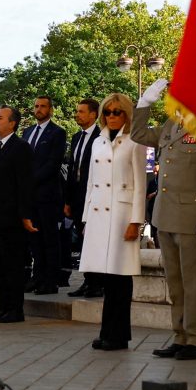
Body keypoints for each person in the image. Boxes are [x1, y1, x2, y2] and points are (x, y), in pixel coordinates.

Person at [134, 78, 196, 361]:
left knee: (193, 283)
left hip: (192, 219)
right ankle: (180, 336)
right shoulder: (170, 126)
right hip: (164, 216)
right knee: (174, 282)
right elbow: (138, 134)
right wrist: (143, 104)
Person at [79, 93, 149, 350]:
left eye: (117, 112)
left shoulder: (134, 141)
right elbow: (90, 183)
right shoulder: (97, 142)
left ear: (127, 114)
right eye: (107, 111)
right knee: (106, 278)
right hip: (99, 214)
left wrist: (136, 221)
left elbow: (141, 185)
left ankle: (119, 335)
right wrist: (86, 218)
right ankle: (107, 330)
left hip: (121, 215)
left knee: (121, 278)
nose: (111, 116)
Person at [0, 106, 37, 324]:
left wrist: (25, 214)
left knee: (13, 265)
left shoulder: (20, 148)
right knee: (0, 266)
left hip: (11, 217)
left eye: (0, 118)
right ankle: (3, 307)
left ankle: (15, 309)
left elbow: (24, 184)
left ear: (12, 123)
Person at [25, 96, 69, 293]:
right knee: (34, 239)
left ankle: (51, 281)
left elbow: (53, 163)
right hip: (29, 195)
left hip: (47, 194)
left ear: (50, 109)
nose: (39, 109)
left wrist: (31, 180)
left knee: (50, 239)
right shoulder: (27, 132)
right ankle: (37, 277)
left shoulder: (57, 133)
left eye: (43, 106)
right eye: (36, 106)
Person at [64, 99, 102, 298]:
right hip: (77, 196)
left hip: (94, 197)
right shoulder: (77, 137)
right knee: (82, 241)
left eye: (81, 111)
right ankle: (88, 280)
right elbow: (72, 169)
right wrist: (68, 200)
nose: (77, 115)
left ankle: (97, 282)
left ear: (93, 114)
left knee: (93, 239)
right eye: (76, 111)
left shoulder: (101, 136)